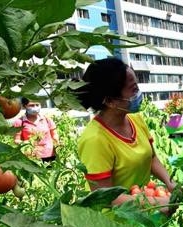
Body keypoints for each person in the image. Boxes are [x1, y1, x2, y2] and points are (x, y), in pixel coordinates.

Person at [74, 57, 177, 207]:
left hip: (145, 211)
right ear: (110, 101)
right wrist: (155, 203)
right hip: (118, 222)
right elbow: (105, 197)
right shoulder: (95, 140)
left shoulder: (136, 119)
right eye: (133, 89)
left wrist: (170, 182)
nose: (139, 94)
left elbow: (151, 158)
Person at [13, 98, 59, 162]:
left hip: (50, 155)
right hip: (32, 157)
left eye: (37, 105)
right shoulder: (20, 122)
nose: (35, 107)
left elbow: (54, 135)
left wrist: (58, 146)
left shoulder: (46, 119)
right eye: (31, 105)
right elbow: (16, 140)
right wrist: (26, 144)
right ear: (25, 106)